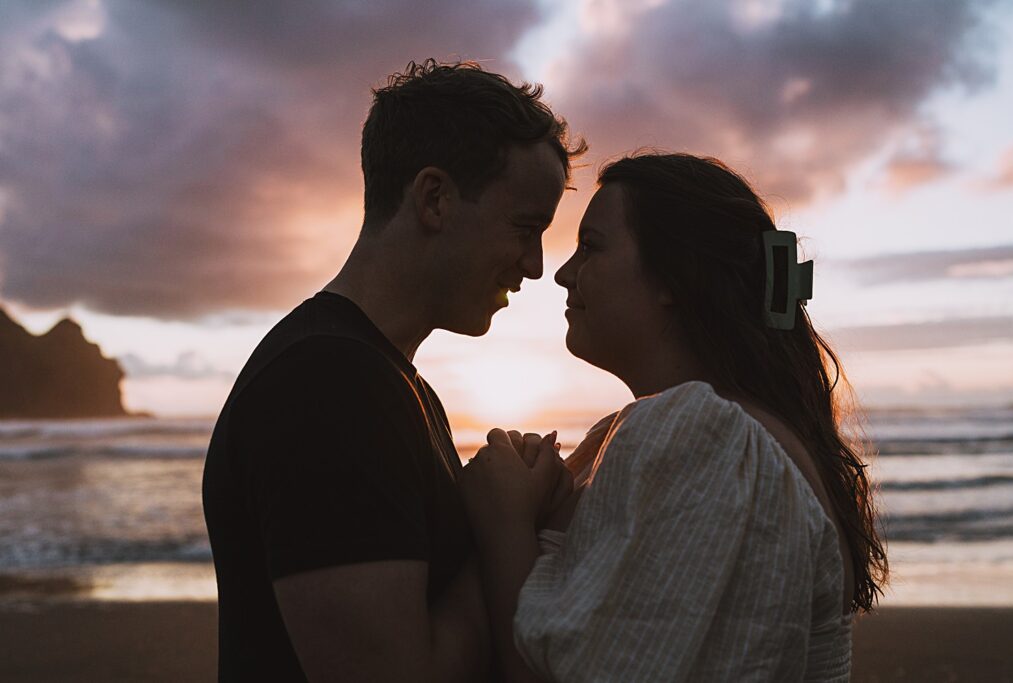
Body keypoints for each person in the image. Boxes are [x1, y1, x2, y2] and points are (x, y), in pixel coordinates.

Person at [202, 59, 584, 682]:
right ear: (434, 198)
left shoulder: (389, 382)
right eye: (524, 227)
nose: (536, 265)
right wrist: (504, 527)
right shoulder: (326, 387)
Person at [460, 153, 888, 682]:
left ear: (673, 279)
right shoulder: (667, 434)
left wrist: (502, 521)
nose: (564, 274)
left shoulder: (706, 439)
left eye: (590, 247)